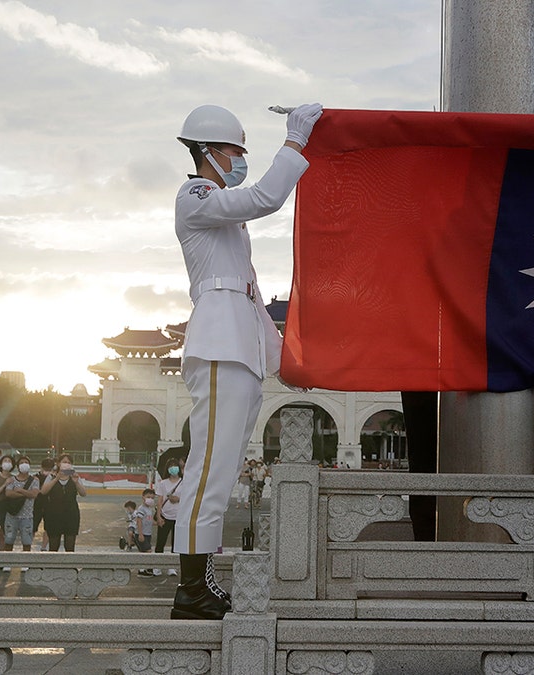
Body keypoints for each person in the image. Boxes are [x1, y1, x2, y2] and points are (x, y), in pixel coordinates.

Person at [170, 101, 322, 620]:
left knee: (224, 466)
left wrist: (284, 363)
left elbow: (255, 299)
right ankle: (190, 589)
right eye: (235, 150)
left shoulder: (228, 222)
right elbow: (264, 197)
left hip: (239, 349)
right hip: (218, 345)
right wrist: (295, 143)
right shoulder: (195, 194)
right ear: (208, 151)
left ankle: (199, 580)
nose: (240, 159)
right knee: (209, 467)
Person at [40, 453, 85, 552]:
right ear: (59, 463)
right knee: (54, 545)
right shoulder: (52, 476)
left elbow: (83, 493)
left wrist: (76, 482)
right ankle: (53, 566)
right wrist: (56, 478)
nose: (66, 464)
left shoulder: (74, 476)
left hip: (71, 514)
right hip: (54, 514)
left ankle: (70, 566)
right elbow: (43, 491)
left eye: (69, 462)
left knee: (69, 545)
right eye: (64, 462)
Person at [1, 455, 40, 566]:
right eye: (21, 463)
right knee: (8, 540)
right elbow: (8, 493)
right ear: (18, 467)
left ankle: (25, 564)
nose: (24, 464)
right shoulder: (12, 480)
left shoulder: (34, 480)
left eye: (26, 462)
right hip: (12, 515)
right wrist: (25, 493)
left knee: (27, 542)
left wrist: (19, 490)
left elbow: (34, 494)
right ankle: (7, 564)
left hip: (27, 516)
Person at [153, 458, 183, 577]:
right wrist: (159, 516)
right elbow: (159, 500)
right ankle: (157, 567)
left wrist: (178, 499)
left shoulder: (184, 482)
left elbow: (188, 498)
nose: (173, 468)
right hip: (165, 516)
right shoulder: (163, 483)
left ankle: (172, 567)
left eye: (175, 466)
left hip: (179, 517)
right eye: (170, 466)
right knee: (160, 542)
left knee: (176, 544)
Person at [32, 458, 54, 550]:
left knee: (48, 527)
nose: (47, 471)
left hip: (50, 505)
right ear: (41, 467)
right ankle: (28, 544)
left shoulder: (53, 477)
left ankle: (44, 547)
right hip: (37, 504)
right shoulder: (35, 477)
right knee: (33, 527)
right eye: (46, 468)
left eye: (49, 469)